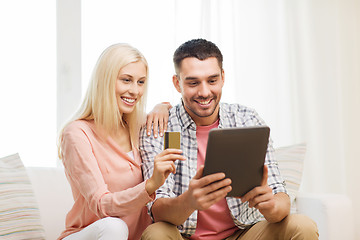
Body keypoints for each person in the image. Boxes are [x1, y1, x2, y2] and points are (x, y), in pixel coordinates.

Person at [139, 38, 318, 239]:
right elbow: (156, 208)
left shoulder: (247, 119)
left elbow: (279, 193)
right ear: (177, 83)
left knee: (302, 225)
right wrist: (188, 201)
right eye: (193, 82)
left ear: (223, 77)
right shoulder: (158, 127)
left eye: (212, 80)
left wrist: (271, 205)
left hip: (242, 233)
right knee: (156, 234)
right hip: (184, 236)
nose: (204, 92)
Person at [57, 43, 184, 240]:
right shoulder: (77, 133)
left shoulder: (140, 126)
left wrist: (163, 107)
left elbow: (177, 115)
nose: (135, 91)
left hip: (136, 236)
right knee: (114, 227)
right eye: (126, 80)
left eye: (141, 82)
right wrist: (150, 185)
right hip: (92, 234)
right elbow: (102, 205)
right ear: (105, 81)